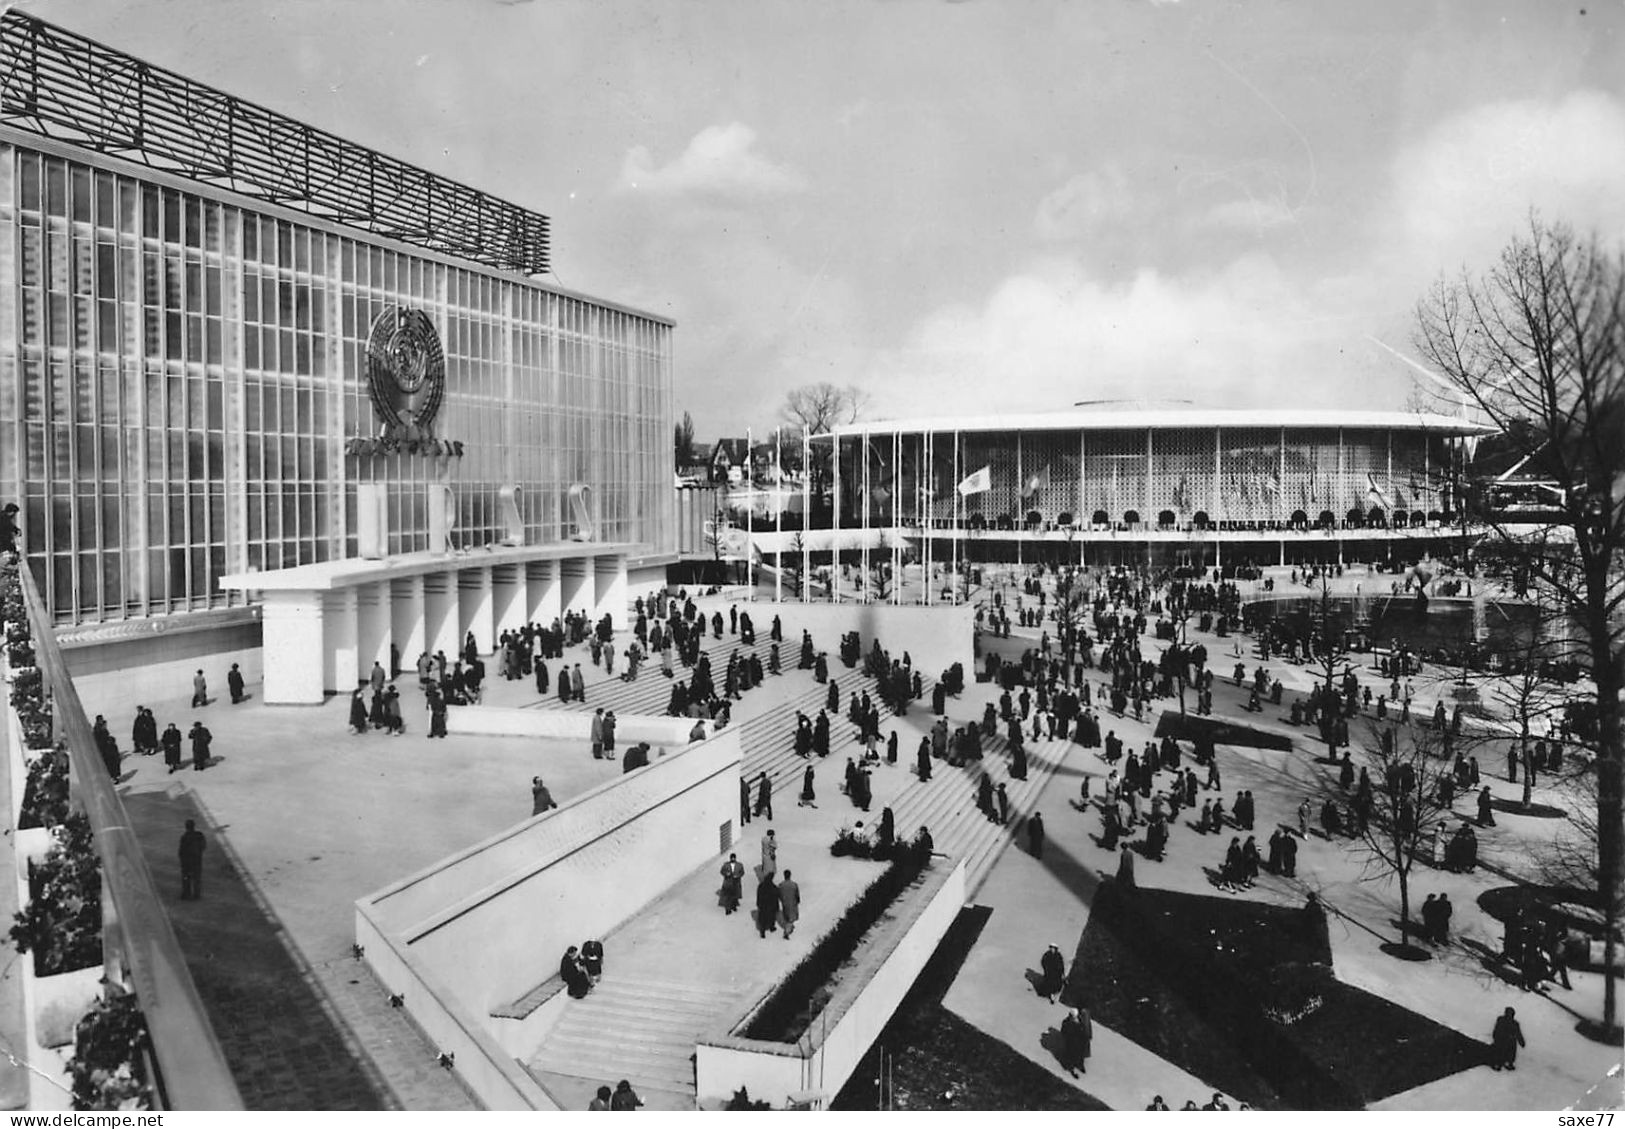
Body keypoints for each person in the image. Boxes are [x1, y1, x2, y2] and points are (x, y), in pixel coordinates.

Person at [1060, 1004, 1092, 1076]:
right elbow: (1064, 1032)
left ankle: (1080, 1066)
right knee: (1072, 1057)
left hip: (1080, 1043)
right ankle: (1072, 1069)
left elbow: (1084, 1030)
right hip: (1072, 1043)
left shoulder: (1080, 1021)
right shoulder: (1066, 1023)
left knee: (1080, 1055)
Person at [178, 819, 206, 900]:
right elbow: (203, 846)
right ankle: (197, 894)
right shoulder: (199, 835)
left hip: (187, 861)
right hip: (197, 860)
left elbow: (181, 850)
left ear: (186, 827)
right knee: (197, 877)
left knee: (186, 877)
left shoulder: (184, 837)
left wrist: (182, 859)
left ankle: (186, 894)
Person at [755, 870, 780, 939]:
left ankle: (762, 932)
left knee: (762, 918)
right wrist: (777, 906)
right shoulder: (773, 887)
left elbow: (758, 895)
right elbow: (776, 896)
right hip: (771, 906)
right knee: (771, 917)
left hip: (763, 905)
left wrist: (758, 903)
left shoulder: (761, 885)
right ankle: (771, 927)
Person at [777, 870, 801, 939]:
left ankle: (789, 927)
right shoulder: (794, 885)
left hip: (785, 903)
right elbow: (797, 896)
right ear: (790, 875)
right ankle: (786, 933)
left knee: (787, 917)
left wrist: (782, 900)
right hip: (793, 903)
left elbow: (779, 895)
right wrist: (797, 901)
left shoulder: (781, 885)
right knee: (791, 918)